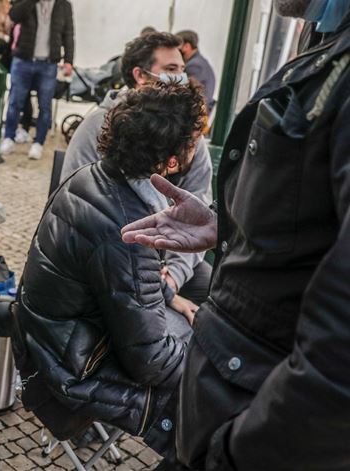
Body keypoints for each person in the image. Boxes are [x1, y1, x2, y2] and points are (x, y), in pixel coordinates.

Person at [122, 3, 350, 469]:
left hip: (252, 422)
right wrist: (223, 225)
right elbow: (310, 224)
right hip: (227, 395)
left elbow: (339, 350)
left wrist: (243, 450)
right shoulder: (326, 38)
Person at [12, 82, 206, 460]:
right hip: (72, 371)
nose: (198, 147)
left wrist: (170, 295)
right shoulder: (128, 227)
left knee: (198, 313)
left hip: (48, 339)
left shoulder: (94, 176)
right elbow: (149, 361)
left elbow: (115, 281)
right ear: (170, 161)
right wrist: (210, 366)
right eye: (195, 139)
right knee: (214, 397)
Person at [61, 31, 213, 306]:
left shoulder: (190, 134)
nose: (179, 77)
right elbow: (79, 213)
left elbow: (200, 207)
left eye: (181, 69)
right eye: (170, 69)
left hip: (169, 257)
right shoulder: (95, 128)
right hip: (116, 254)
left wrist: (173, 277)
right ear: (140, 75)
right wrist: (161, 289)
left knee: (215, 290)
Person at [0, 0, 75, 160]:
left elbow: (69, 34)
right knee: (14, 102)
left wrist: (69, 60)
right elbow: (13, 16)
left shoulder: (64, 5)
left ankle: (38, 143)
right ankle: (9, 137)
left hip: (48, 64)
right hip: (23, 60)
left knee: (45, 106)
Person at [175, 30, 216, 113]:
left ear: (186, 46)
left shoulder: (195, 66)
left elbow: (183, 92)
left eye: (176, 48)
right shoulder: (199, 62)